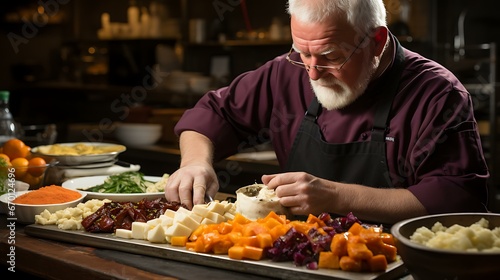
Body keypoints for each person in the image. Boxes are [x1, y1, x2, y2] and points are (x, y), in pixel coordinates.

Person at [165, 0, 489, 224]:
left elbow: (456, 199)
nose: (313, 73)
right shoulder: (287, 72)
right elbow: (214, 112)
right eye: (301, 53)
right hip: (296, 260)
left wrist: (335, 196)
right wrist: (195, 163)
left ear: (376, 42)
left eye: (331, 57)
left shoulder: (437, 95)